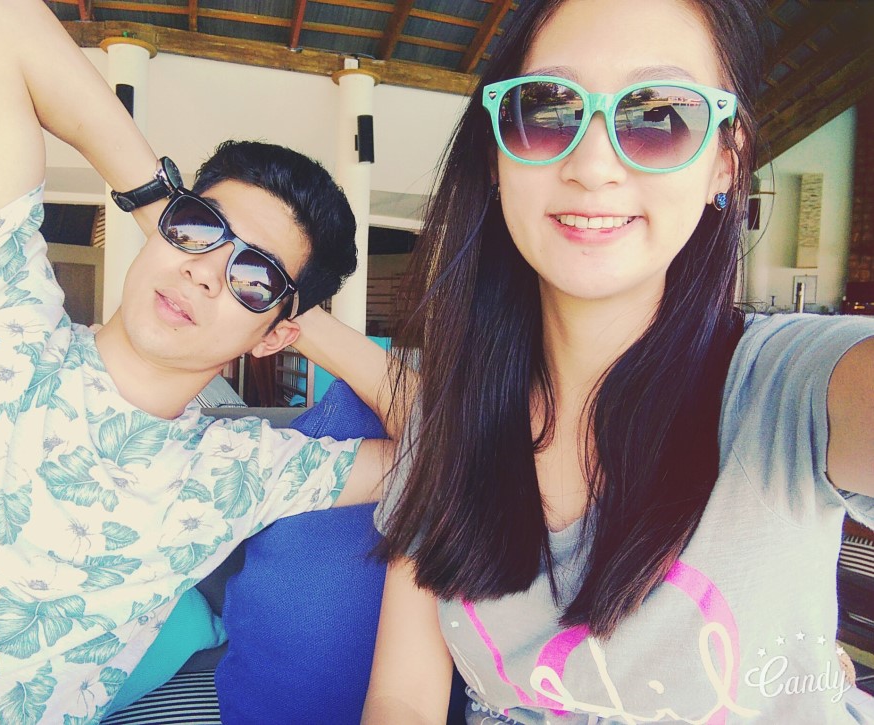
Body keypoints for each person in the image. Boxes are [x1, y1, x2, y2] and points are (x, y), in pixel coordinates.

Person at [300, 0, 874, 722]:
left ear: (724, 163)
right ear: (496, 154)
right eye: (547, 109)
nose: (593, 165)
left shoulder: (788, 385)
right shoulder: (449, 425)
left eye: (660, 116)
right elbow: (403, 696)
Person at [0, 0, 390, 721]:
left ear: (273, 336)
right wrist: (158, 206)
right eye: (199, 228)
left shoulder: (239, 473)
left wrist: (289, 320)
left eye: (254, 276)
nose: (205, 271)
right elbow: (3, 21)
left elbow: (468, 451)